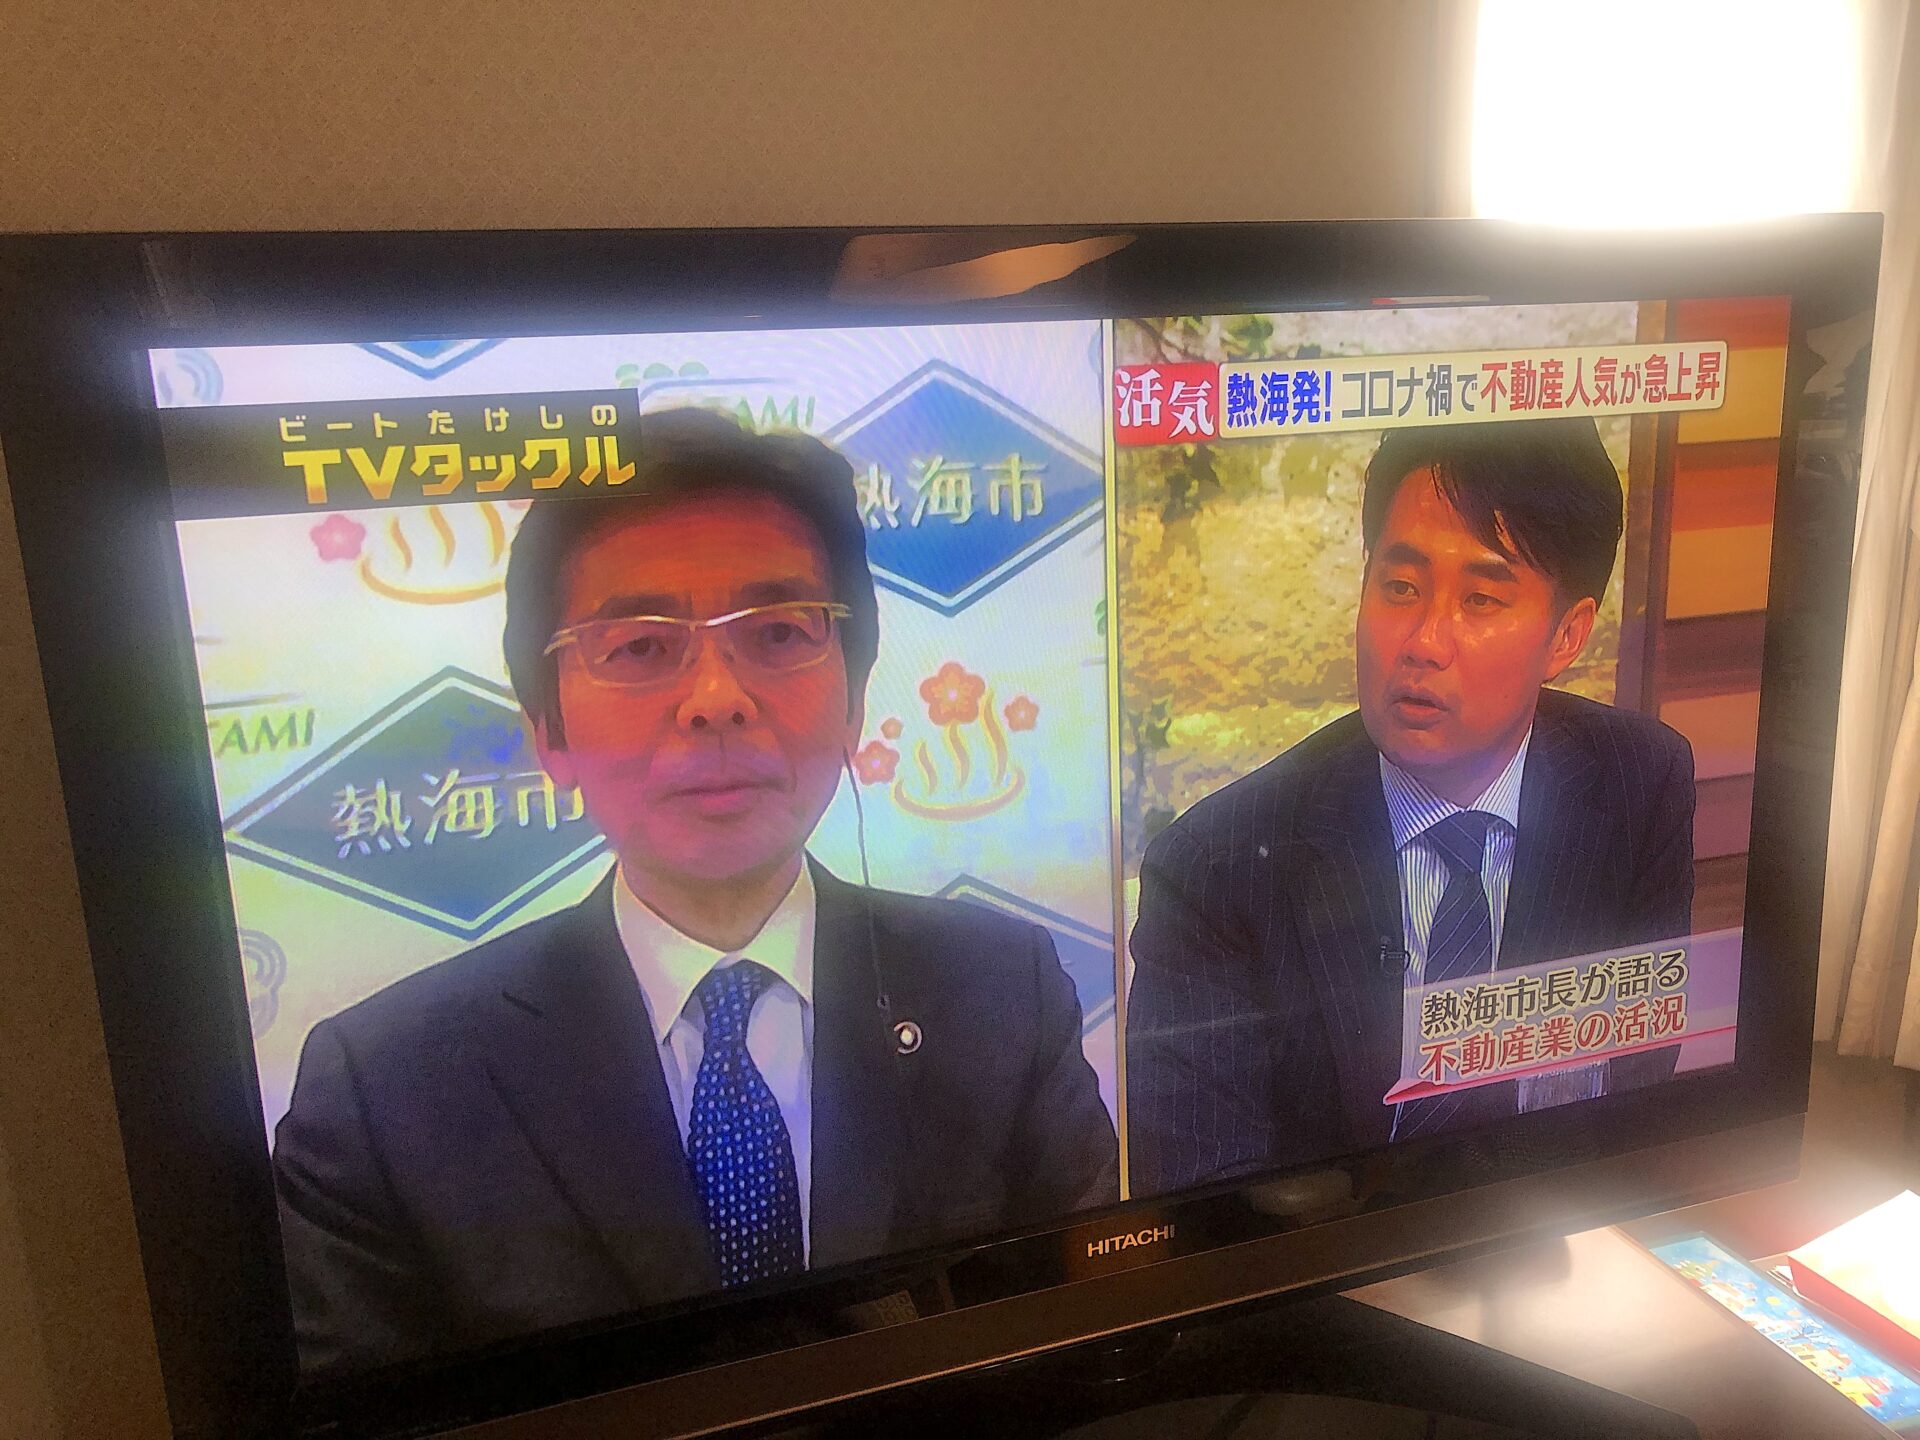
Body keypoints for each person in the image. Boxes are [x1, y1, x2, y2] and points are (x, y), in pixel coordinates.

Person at [272, 408, 1118, 1372]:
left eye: (779, 632)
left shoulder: (1001, 991)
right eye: (640, 647)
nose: (718, 699)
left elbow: (1092, 1356)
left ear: (854, 699)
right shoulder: (385, 1089)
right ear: (549, 732)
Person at [1125, 417, 1695, 1199]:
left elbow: (1632, 1088)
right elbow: (1205, 1202)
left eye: (1481, 598)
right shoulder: (1216, 867)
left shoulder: (1639, 782)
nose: (1424, 641)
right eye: (1400, 588)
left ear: (1567, 635)